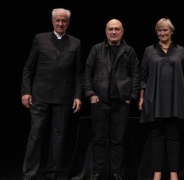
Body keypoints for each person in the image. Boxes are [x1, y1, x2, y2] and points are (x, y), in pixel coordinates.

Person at [21, 8, 83, 180]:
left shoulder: (75, 43)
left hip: (64, 97)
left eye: (64, 21)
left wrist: (78, 96)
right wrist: (26, 92)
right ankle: (29, 174)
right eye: (58, 20)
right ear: (52, 21)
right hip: (40, 95)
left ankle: (52, 175)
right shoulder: (40, 39)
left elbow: (78, 73)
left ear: (68, 23)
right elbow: (28, 68)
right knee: (36, 136)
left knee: (58, 138)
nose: (60, 23)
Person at [84, 19, 140, 180]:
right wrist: (90, 94)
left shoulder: (129, 51)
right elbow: (87, 72)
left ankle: (116, 172)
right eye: (110, 29)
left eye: (116, 29)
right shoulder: (96, 49)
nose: (113, 32)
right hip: (100, 101)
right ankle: (97, 172)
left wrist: (132, 97)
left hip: (121, 102)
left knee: (118, 140)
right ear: (106, 31)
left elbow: (136, 75)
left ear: (122, 31)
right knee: (99, 139)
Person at [138, 18, 184, 180]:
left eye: (165, 30)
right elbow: (143, 76)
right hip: (154, 99)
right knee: (156, 136)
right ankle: (157, 172)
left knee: (173, 135)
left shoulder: (181, 51)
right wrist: (141, 98)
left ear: (171, 32)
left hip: (177, 98)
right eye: (159, 30)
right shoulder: (149, 51)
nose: (162, 33)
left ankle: (174, 173)